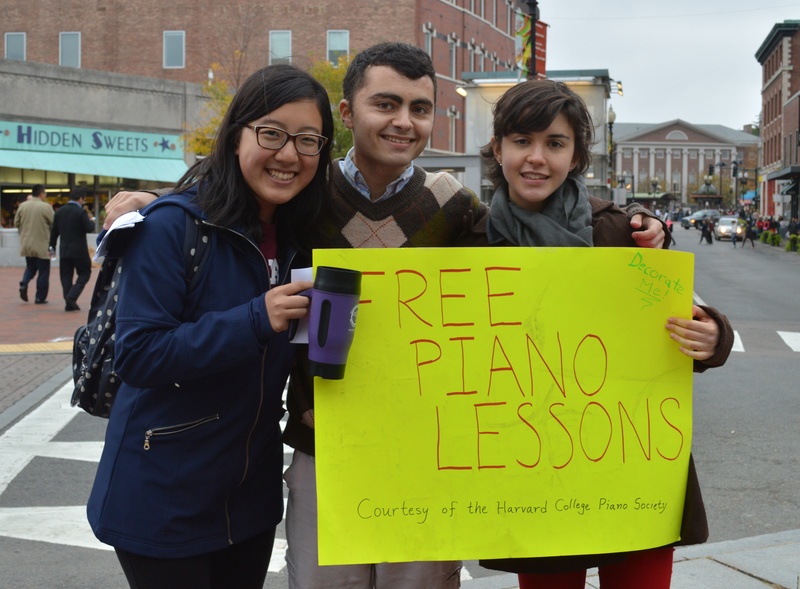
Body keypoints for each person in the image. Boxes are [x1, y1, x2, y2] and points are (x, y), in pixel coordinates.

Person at [100, 43, 668, 589]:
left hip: (422, 449)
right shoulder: (304, 189)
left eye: (419, 108)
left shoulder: (454, 204)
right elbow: (234, 197)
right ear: (348, 113)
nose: (403, 121)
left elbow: (525, 234)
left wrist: (640, 218)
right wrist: (156, 200)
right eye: (386, 104)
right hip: (323, 443)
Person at [464, 78, 733, 589]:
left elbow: (686, 319)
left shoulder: (622, 232)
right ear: (498, 150)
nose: (536, 157)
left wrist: (713, 335)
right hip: (532, 470)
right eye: (521, 141)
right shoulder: (472, 245)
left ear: (576, 156)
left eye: (555, 143)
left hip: (629, 466)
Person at [86, 64, 334, 589]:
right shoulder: (169, 227)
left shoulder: (302, 236)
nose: (289, 155)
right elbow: (139, 354)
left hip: (249, 501)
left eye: (308, 140)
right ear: (236, 133)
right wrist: (256, 318)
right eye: (272, 134)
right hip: (163, 498)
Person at [49, 188, 95, 311]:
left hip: (64, 250)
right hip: (79, 251)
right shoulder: (81, 212)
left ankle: (69, 301)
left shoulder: (59, 212)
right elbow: (89, 228)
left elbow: (54, 232)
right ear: (80, 198)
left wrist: (52, 246)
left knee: (65, 277)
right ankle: (72, 296)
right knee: (85, 273)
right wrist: (91, 221)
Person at [14, 184, 54, 304]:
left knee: (30, 267)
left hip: (27, 244)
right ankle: (39, 297)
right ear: (41, 194)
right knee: (43, 271)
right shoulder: (45, 207)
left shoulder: (22, 206)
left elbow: (17, 223)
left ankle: (24, 283)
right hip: (42, 244)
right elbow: (53, 223)